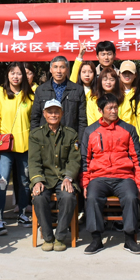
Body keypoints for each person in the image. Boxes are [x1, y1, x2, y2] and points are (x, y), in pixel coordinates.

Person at [81, 93, 140, 255]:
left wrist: (139, 184)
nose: (113, 111)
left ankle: (129, 239)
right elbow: (85, 160)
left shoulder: (128, 129)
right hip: (99, 177)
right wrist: (86, 184)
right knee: (92, 197)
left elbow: (138, 159)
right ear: (100, 110)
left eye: (115, 107)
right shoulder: (90, 131)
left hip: (124, 177)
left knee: (131, 197)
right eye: (109, 108)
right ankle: (96, 239)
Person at [0, 62, 35, 235]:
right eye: (12, 73)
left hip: (25, 146)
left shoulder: (30, 94)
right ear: (7, 75)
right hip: (5, 146)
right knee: (2, 180)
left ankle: (22, 213)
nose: (16, 77)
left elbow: (35, 120)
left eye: (19, 73)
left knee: (24, 181)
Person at [29, 99, 80, 252]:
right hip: (44, 178)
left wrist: (68, 177)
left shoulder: (71, 134)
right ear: (44, 114)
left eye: (56, 112)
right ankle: (48, 237)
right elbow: (34, 161)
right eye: (50, 112)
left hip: (63, 178)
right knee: (38, 197)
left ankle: (60, 237)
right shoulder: (36, 135)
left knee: (68, 197)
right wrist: (37, 180)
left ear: (62, 113)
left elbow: (74, 160)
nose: (53, 115)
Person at [30, 55, 87, 141]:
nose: (58, 71)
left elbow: (82, 120)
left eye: (62, 67)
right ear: (51, 69)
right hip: (46, 140)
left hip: (69, 139)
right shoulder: (41, 90)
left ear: (67, 69)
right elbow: (35, 118)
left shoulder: (78, 90)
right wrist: (35, 140)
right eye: (55, 67)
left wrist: (79, 141)